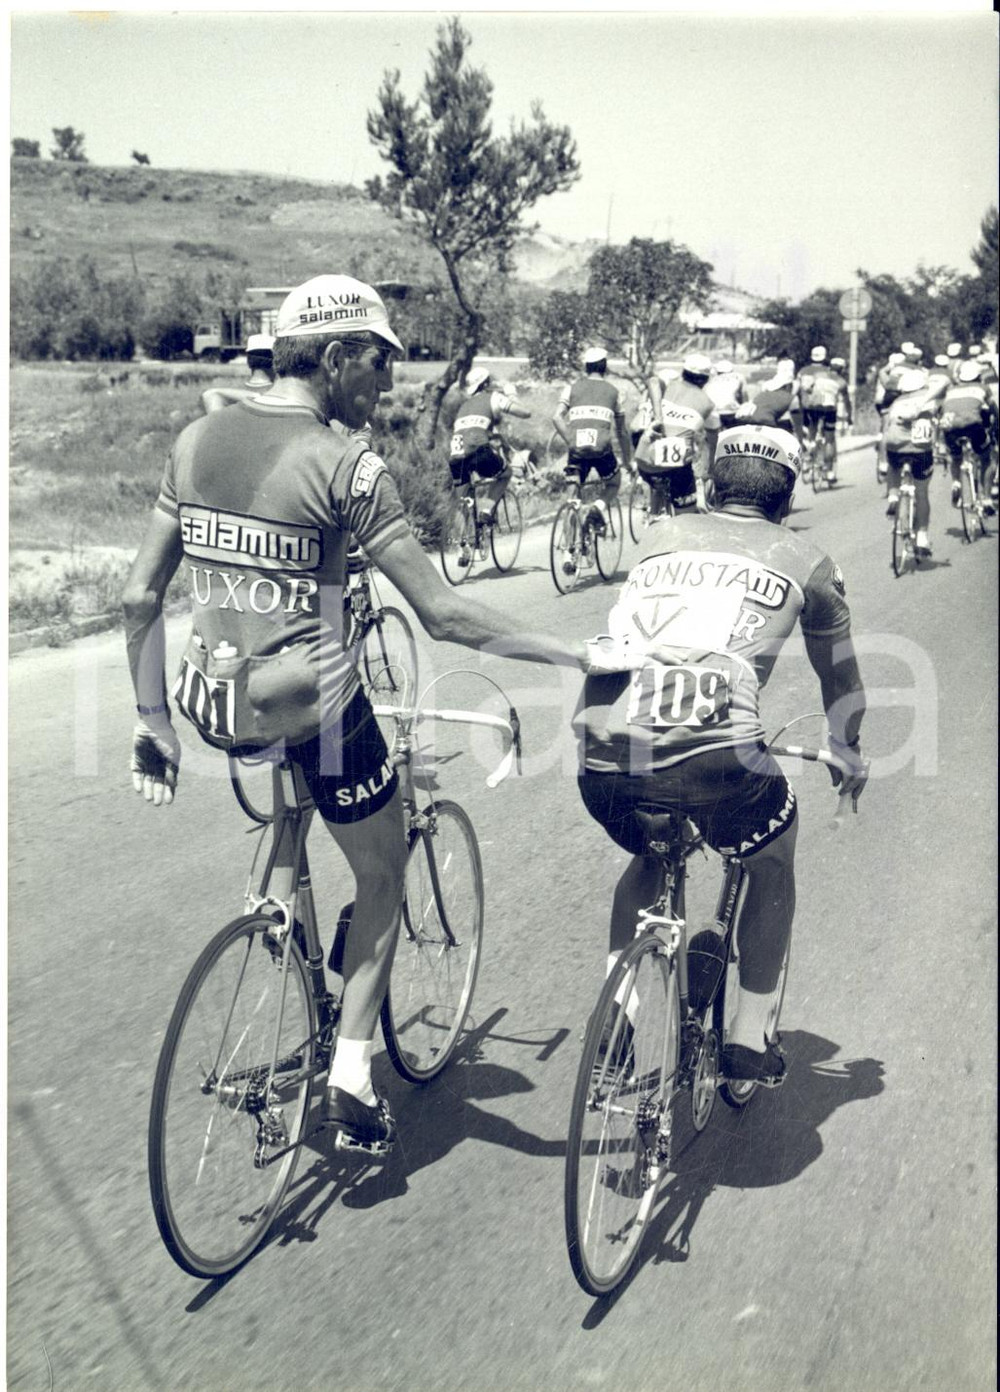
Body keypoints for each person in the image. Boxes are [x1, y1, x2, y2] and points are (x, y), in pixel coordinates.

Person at [122, 274, 592, 1153]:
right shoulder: (349, 464)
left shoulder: (192, 440)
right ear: (335, 357)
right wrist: (573, 654)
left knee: (299, 764)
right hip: (311, 708)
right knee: (380, 872)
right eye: (379, 364)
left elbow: (139, 599)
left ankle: (275, 905)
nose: (388, 383)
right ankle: (349, 1075)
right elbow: (444, 614)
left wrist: (150, 722)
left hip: (207, 701)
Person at [574, 424, 867, 1085]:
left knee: (649, 851)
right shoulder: (810, 563)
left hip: (608, 760)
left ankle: (616, 1014)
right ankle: (747, 1037)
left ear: (709, 485)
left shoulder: (658, 538)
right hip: (720, 763)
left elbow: (617, 648)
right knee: (774, 860)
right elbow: (841, 682)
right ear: (787, 500)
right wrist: (847, 749)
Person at [552, 346, 631, 532]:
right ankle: (598, 508)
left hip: (576, 450)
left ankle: (568, 554)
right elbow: (622, 432)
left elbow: (556, 417)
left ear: (586, 367)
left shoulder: (570, 389)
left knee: (573, 498)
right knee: (614, 481)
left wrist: (571, 440)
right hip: (602, 450)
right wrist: (628, 461)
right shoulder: (614, 392)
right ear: (605, 366)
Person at [637, 352, 721, 514]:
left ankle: (654, 517)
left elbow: (652, 380)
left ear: (683, 372)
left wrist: (659, 417)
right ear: (705, 380)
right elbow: (713, 441)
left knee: (657, 479)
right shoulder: (709, 404)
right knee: (687, 518)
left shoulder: (668, 384)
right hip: (677, 468)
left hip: (644, 461)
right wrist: (710, 469)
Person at [448, 366, 531, 524]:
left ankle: (464, 545)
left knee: (464, 504)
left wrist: (493, 435)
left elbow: (470, 430)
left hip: (456, 456)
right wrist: (511, 393)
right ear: (486, 384)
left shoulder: (464, 407)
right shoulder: (493, 397)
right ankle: (487, 511)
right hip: (478, 451)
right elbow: (525, 413)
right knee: (506, 473)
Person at [882, 366, 947, 558]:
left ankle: (893, 496)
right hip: (920, 451)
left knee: (893, 465)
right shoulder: (929, 399)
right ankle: (922, 536)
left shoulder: (896, 402)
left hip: (895, 447)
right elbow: (945, 383)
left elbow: (886, 428)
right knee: (921, 492)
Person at [939, 358, 999, 515]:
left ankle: (956, 482)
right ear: (979, 376)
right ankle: (986, 498)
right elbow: (993, 409)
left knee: (956, 457)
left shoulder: (951, 389)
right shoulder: (983, 388)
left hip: (950, 428)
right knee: (988, 458)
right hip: (972, 426)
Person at [794, 347, 851, 483]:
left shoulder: (802, 371)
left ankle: (807, 460)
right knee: (830, 439)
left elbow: (797, 390)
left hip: (809, 406)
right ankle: (829, 470)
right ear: (825, 358)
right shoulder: (828, 372)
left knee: (811, 432)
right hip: (829, 408)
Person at [199, 333, 275, 413]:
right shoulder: (280, 390)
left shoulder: (229, 390)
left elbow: (209, 395)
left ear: (248, 361)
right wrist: (258, 398)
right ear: (275, 360)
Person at [734, 359, 796, 432]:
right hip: (765, 421)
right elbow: (797, 426)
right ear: (789, 385)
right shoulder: (791, 398)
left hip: (742, 419)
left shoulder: (763, 394)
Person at [704, 359, 748, 433]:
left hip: (713, 413)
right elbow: (744, 397)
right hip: (731, 412)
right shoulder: (739, 377)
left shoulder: (711, 379)